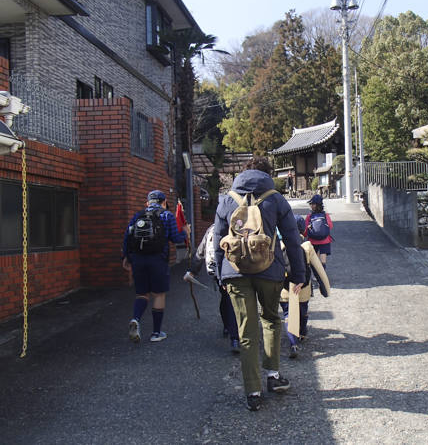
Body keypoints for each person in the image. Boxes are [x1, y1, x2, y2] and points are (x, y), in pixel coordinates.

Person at [214, 157, 305, 411]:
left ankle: (252, 392)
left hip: (235, 271)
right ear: (267, 174)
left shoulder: (227, 198)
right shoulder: (276, 198)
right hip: (269, 269)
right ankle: (273, 377)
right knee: (271, 319)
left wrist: (221, 275)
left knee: (246, 331)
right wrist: (297, 274)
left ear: (243, 173)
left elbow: (218, 240)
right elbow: (292, 239)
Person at [122, 190, 190, 343]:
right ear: (164, 202)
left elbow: (128, 235)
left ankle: (136, 319)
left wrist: (126, 257)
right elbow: (175, 238)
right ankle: (156, 332)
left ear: (147, 203)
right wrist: (186, 232)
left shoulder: (137, 215)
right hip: (158, 259)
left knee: (142, 293)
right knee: (158, 294)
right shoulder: (167, 215)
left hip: (138, 259)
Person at [184, 224, 240, 354]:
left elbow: (201, 250)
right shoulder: (237, 225)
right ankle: (235, 337)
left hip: (216, 270)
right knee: (232, 300)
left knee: (226, 297)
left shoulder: (212, 228)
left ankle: (227, 326)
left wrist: (192, 271)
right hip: (234, 268)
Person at [280, 215, 330, 358]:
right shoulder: (307, 246)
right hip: (303, 288)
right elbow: (318, 269)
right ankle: (301, 333)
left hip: (285, 288)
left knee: (288, 314)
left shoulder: (280, 245)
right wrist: (324, 287)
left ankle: (292, 343)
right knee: (302, 310)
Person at [304, 194, 333, 294]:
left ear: (315, 205)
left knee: (314, 259)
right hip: (325, 240)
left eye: (311, 204)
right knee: (323, 260)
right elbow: (330, 225)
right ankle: (322, 275)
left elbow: (305, 230)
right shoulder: (326, 215)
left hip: (313, 241)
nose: (310, 205)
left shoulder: (309, 216)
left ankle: (315, 275)